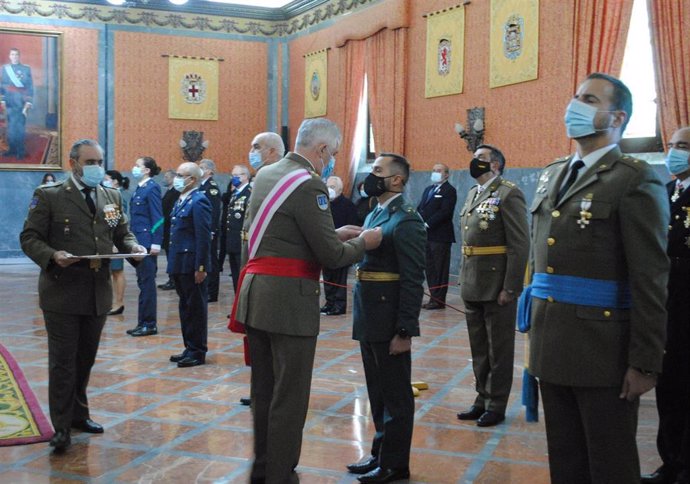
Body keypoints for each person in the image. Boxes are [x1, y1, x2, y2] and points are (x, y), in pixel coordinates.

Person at [524, 73, 669, 483]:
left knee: (610, 463)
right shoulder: (553, 173)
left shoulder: (633, 177)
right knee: (565, 460)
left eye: (589, 99)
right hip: (551, 341)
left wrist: (644, 361)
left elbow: (650, 277)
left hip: (604, 349)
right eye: (575, 97)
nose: (576, 106)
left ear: (617, 116)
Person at [231, 118, 382, 483]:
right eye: (332, 153)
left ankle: (263, 467)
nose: (332, 160)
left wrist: (333, 232)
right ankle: (281, 474)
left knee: (263, 390)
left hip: (256, 294)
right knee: (290, 396)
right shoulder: (309, 184)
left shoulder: (267, 174)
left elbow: (284, 234)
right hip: (289, 302)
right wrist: (364, 242)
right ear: (322, 150)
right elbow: (331, 256)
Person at [20, 139, 146, 452]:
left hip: (96, 293)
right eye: (90, 161)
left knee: (84, 360)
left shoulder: (111, 195)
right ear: (74, 162)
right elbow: (29, 238)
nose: (96, 167)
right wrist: (52, 255)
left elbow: (121, 233)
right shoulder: (49, 196)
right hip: (62, 292)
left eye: (99, 161)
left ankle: (79, 415)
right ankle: (61, 428)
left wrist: (133, 248)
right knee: (63, 363)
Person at [346, 153, 426, 483]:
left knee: (396, 395)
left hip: (390, 318)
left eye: (378, 170)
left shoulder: (406, 219)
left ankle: (395, 464)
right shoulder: (377, 212)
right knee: (377, 391)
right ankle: (380, 453)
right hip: (370, 314)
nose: (370, 175)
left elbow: (412, 278)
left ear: (397, 180)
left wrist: (405, 329)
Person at [456, 145, 529, 427]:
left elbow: (519, 244)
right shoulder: (474, 193)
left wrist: (511, 287)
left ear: (496, 165)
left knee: (499, 348)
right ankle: (481, 398)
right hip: (473, 282)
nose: (474, 163)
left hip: (497, 282)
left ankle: (496, 404)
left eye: (481, 159)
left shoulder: (509, 193)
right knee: (479, 346)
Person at [642, 127, 690, 484]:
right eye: (671, 145)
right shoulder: (669, 191)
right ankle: (669, 462)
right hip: (667, 303)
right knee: (668, 383)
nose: (674, 152)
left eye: (683, 146)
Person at [168, 162, 212, 368]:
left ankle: (197, 351)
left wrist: (201, 267)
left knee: (195, 308)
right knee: (185, 306)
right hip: (179, 262)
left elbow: (203, 237)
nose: (176, 178)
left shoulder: (199, 200)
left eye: (180, 175)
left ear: (192, 179)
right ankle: (189, 346)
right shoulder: (182, 200)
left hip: (191, 264)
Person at [126, 157, 163, 337]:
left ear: (147, 170)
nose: (134, 168)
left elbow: (158, 217)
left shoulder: (152, 188)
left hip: (147, 243)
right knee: (142, 282)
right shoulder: (140, 188)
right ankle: (142, 322)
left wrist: (155, 242)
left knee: (147, 283)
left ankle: (149, 323)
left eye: (138, 165)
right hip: (138, 242)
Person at [416, 163, 457, 310]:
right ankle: (433, 297)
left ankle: (439, 299)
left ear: (446, 174)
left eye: (439, 171)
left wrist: (427, 224)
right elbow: (420, 207)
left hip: (440, 235)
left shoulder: (449, 190)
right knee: (430, 267)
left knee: (440, 268)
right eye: (433, 170)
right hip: (426, 235)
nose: (435, 173)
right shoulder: (429, 189)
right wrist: (417, 220)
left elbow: (445, 212)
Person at [320, 175, 358, 315]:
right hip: (326, 245)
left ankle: (339, 305)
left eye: (332, 187)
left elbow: (352, 227)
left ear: (340, 189)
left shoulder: (348, 205)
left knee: (339, 277)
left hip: (341, 247)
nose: (329, 189)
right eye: (327, 186)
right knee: (328, 276)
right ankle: (329, 302)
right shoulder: (323, 204)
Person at [104, 170, 130, 316]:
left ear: (115, 181)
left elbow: (116, 223)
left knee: (117, 271)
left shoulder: (116, 197)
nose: (104, 181)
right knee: (113, 272)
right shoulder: (110, 195)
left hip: (114, 241)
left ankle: (119, 302)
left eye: (107, 179)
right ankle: (115, 302)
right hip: (108, 240)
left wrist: (114, 242)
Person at [1, 48, 33, 160]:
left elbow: (30, 86)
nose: (14, 56)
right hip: (9, 100)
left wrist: (29, 101)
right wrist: (2, 100)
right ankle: (12, 149)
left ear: (19, 56)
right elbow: (2, 85)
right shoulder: (4, 69)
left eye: (16, 54)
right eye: (12, 54)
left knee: (19, 127)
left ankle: (20, 151)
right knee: (10, 127)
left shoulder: (26, 69)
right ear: (9, 56)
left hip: (21, 100)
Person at [224, 164, 251, 292]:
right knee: (236, 277)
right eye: (232, 175)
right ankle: (237, 308)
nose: (233, 178)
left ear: (245, 177)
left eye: (237, 175)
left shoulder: (249, 193)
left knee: (242, 276)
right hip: (233, 241)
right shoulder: (235, 193)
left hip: (243, 242)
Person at [198, 158, 221, 303]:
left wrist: (211, 230)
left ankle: (212, 292)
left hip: (209, 231)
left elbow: (214, 211)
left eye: (201, 167)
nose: (198, 169)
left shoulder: (211, 188)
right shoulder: (201, 186)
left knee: (212, 260)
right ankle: (205, 289)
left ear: (208, 171)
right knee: (206, 260)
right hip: (203, 229)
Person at [158, 169, 180, 291]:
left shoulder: (175, 192)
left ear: (172, 178)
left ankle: (173, 280)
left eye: (167, 176)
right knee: (169, 255)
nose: (165, 178)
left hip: (171, 228)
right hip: (166, 228)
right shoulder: (169, 191)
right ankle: (171, 279)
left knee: (172, 256)